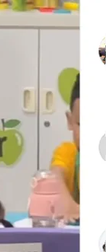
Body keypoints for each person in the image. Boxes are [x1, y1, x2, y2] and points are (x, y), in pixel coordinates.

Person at [50, 73, 79, 222]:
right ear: (70, 120)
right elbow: (56, 173)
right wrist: (66, 202)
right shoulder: (68, 152)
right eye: (81, 124)